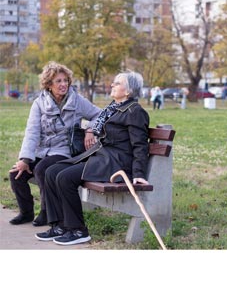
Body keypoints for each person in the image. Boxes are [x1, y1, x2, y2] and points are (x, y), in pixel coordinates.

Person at [35, 70, 150, 245]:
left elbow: (140, 145)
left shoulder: (135, 111)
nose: (112, 84)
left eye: (117, 83)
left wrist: (139, 174)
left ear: (128, 91)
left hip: (115, 164)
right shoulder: (113, 108)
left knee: (65, 178)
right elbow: (95, 124)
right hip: (102, 157)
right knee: (51, 172)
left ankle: (78, 230)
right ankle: (59, 226)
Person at [9, 62, 101, 227]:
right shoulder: (39, 103)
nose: (63, 84)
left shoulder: (77, 100)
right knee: (16, 174)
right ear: (49, 84)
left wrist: (90, 130)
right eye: (58, 81)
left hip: (64, 151)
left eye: (65, 80)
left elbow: (99, 115)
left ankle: (46, 212)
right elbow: (32, 132)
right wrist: (25, 159)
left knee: (42, 169)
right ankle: (26, 212)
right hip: (42, 150)